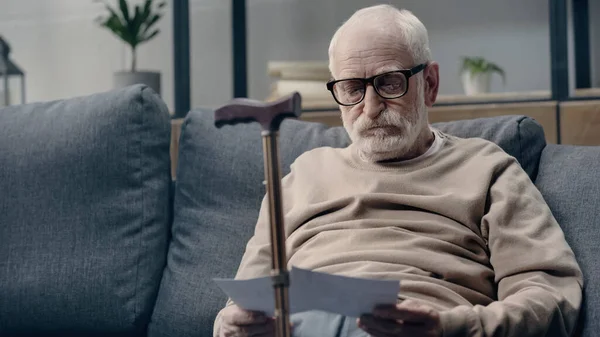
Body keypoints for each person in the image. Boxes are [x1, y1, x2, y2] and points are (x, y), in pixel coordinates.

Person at [214, 4, 583, 337]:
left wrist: (452, 327)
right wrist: (229, 326)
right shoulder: (301, 175)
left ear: (430, 84)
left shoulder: (488, 168)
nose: (371, 107)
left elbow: (550, 294)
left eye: (389, 82)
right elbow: (243, 300)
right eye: (352, 88)